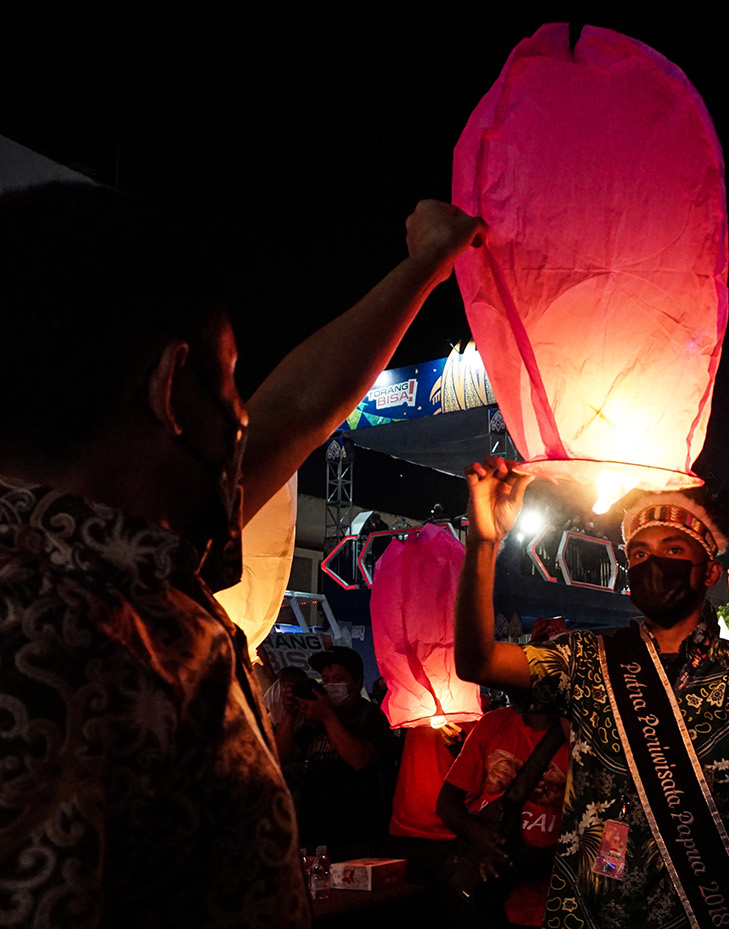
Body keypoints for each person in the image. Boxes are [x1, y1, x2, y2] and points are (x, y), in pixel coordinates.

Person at [0, 182, 484, 928]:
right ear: (172, 393)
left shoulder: (126, 559)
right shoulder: (61, 642)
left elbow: (296, 413)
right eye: (229, 388)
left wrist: (426, 264)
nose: (241, 423)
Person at [454, 458, 729, 929]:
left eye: (672, 548)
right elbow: (476, 661)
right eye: (639, 553)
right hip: (599, 905)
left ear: (709, 571)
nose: (652, 563)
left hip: (713, 908)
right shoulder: (587, 658)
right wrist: (484, 541)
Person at [436, 703, 570, 928]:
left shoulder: (585, 736)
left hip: (557, 906)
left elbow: (609, 836)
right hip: (490, 898)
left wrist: (516, 859)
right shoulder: (493, 723)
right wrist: (480, 836)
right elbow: (447, 804)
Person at [278, 646, 399, 858]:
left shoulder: (370, 716)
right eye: (325, 679)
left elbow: (359, 760)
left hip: (357, 834)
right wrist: (289, 715)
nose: (330, 685)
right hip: (315, 831)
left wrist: (328, 717)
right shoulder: (314, 719)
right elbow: (281, 757)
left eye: (337, 678)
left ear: (357, 681)